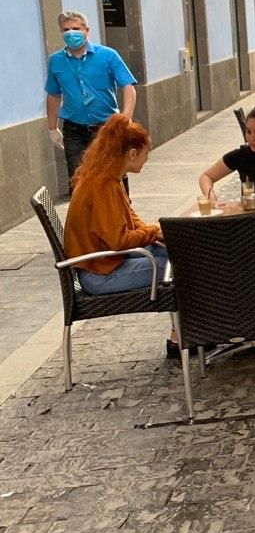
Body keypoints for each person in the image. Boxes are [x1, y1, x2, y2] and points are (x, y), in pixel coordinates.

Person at [61, 114, 178, 354]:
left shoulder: (108, 176)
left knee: (175, 253)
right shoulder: (102, 185)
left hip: (102, 263)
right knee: (180, 266)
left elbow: (129, 218)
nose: (148, 159)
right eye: (147, 152)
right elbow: (118, 240)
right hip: (100, 275)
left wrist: (154, 232)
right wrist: (153, 231)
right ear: (132, 154)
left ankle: (184, 335)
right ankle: (184, 339)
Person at [45, 10, 139, 183]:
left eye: (75, 28)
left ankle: (120, 209)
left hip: (106, 127)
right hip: (74, 130)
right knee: (79, 179)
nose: (70, 33)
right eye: (66, 29)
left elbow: (128, 86)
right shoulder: (56, 61)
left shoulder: (108, 55)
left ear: (86, 30)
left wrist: (126, 118)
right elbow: (53, 94)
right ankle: (85, 211)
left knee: (114, 176)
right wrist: (52, 128)